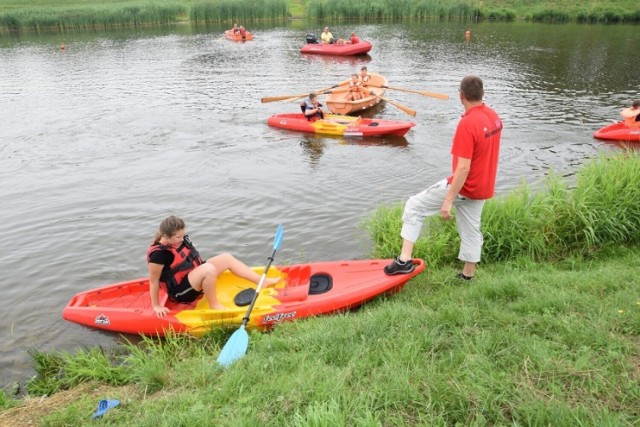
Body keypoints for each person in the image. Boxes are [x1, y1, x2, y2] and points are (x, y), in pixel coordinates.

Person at [384, 75, 503, 281]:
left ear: (461, 96)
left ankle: (404, 261)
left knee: (414, 206)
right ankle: (468, 275)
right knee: (471, 229)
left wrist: (448, 200)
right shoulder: (494, 117)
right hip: (484, 186)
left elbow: (463, 168)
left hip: (466, 186)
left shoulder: (467, 124)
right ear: (483, 94)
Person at [147, 216, 279, 317]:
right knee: (209, 269)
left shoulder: (177, 241)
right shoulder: (159, 255)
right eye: (178, 237)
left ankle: (263, 282)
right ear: (166, 236)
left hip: (191, 278)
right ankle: (214, 305)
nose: (182, 239)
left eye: (183, 235)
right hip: (180, 292)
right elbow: (153, 281)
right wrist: (157, 306)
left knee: (226, 258)